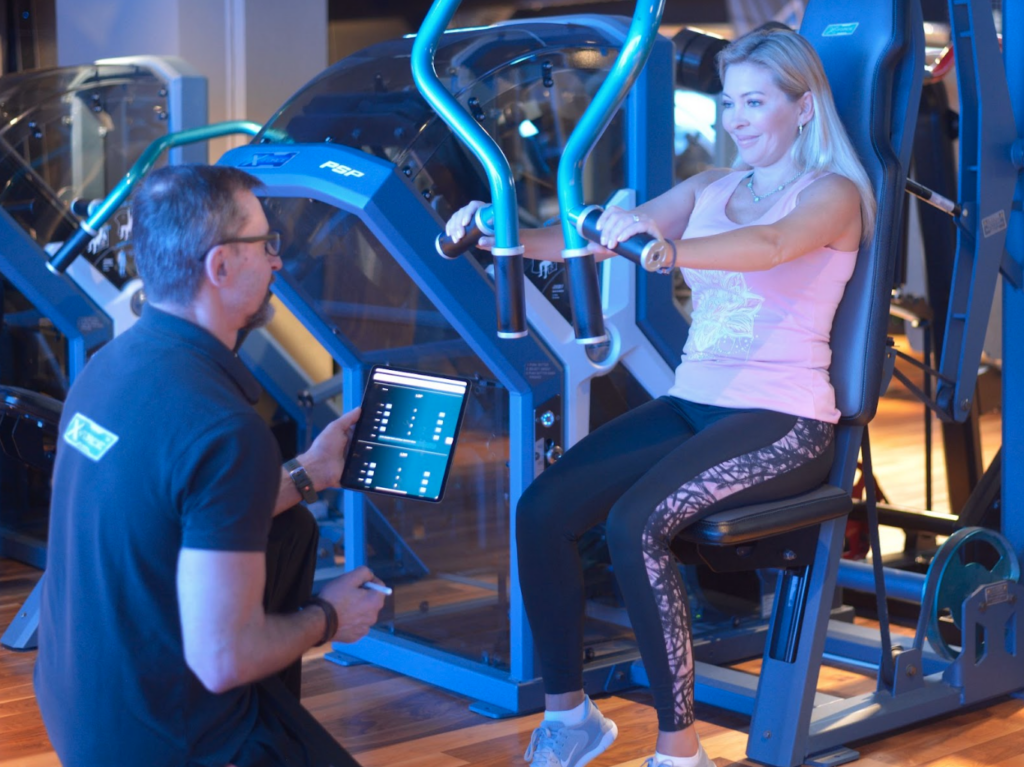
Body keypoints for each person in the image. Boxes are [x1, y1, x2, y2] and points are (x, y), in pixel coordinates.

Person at [445, 25, 874, 767]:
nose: (735, 118)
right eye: (727, 102)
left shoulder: (834, 194)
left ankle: (681, 749)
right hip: (693, 401)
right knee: (542, 509)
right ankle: (570, 718)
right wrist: (496, 231)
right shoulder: (713, 186)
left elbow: (772, 247)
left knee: (634, 522)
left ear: (802, 108)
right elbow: (577, 239)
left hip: (784, 419)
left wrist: (668, 248)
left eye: (754, 101)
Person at [34, 164, 386, 767]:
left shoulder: (108, 367)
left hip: (82, 714)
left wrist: (310, 472)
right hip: (165, 745)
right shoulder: (224, 428)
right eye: (265, 245)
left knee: (292, 525)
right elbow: (223, 659)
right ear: (220, 267)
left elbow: (176, 511)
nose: (277, 262)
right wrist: (331, 617)